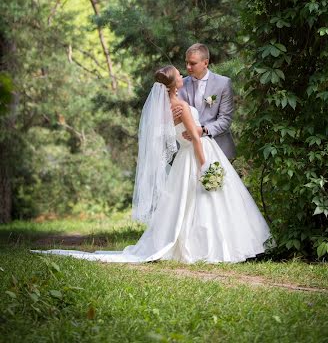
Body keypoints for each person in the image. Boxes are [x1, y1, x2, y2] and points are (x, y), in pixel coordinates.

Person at [31, 66, 272, 263]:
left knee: (185, 207)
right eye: (179, 75)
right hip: (198, 155)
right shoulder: (182, 107)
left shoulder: (164, 108)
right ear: (174, 83)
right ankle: (214, 248)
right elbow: (196, 139)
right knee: (206, 202)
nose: (183, 76)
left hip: (182, 161)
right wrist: (205, 167)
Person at [176, 43, 236, 160]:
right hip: (188, 151)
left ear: (205, 63)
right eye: (187, 62)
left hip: (218, 148)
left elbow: (225, 119)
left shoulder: (223, 83)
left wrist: (202, 131)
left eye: (192, 63)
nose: (188, 67)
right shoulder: (179, 85)